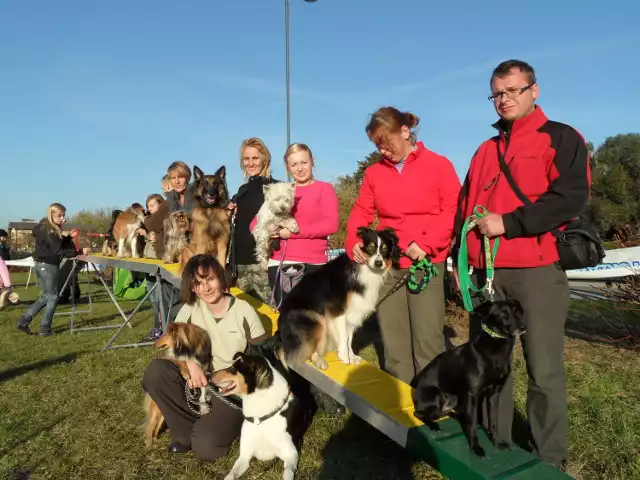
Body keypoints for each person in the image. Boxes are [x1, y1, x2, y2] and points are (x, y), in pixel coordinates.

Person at [453, 59, 590, 469]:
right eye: (497, 93)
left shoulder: (561, 138)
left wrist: (509, 223)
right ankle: (497, 448)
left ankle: (550, 461)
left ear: (534, 90)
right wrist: (454, 259)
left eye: (513, 90)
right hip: (487, 277)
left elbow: (569, 198)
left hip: (536, 270)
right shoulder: (484, 149)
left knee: (543, 370)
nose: (504, 99)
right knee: (490, 369)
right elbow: (465, 207)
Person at [345, 106, 461, 385]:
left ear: (405, 132)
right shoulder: (374, 173)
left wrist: (428, 243)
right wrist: (353, 243)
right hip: (389, 268)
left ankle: (433, 404)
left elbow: (454, 210)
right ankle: (399, 413)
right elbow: (362, 211)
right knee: (394, 343)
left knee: (428, 341)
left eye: (387, 143)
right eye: (377, 146)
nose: (383, 150)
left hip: (425, 265)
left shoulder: (439, 164)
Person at [141, 254, 268, 460]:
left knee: (206, 448)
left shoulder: (245, 311)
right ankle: (183, 432)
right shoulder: (189, 309)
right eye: (198, 283)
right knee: (156, 371)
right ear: (192, 288)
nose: (206, 288)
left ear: (221, 277)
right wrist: (190, 363)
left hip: (231, 389)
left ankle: (213, 425)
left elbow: (263, 358)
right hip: (199, 380)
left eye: (210, 279)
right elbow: (174, 345)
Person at [252, 143, 339, 308]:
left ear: (313, 161)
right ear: (287, 167)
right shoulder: (280, 190)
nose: (299, 168)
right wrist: (267, 232)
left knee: (316, 320)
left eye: (304, 162)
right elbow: (255, 222)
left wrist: (292, 234)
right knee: (288, 320)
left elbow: (331, 225)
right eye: (294, 164)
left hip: (316, 264)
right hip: (282, 263)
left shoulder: (324, 189)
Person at [16, 203, 91, 336]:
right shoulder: (50, 230)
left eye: (63, 215)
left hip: (40, 265)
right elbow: (58, 251)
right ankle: (45, 329)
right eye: (59, 215)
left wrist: (68, 237)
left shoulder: (46, 228)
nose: (63, 218)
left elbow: (54, 245)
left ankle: (23, 321)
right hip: (49, 266)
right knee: (53, 297)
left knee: (46, 296)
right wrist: (79, 251)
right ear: (51, 215)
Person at [227, 137, 279, 303]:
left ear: (265, 158)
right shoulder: (242, 190)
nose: (250, 163)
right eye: (246, 159)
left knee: (271, 318)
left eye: (255, 158)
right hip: (239, 266)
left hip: (263, 264)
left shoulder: (276, 188)